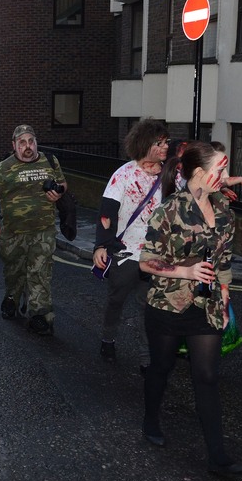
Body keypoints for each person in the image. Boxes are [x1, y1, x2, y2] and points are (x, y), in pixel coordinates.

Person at [138, 141, 242, 476]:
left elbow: (224, 261)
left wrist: (226, 292)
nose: (226, 177)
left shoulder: (225, 213)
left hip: (207, 307)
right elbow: (146, 262)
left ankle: (218, 456)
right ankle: (150, 419)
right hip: (168, 305)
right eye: (221, 170)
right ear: (199, 173)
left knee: (207, 376)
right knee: (161, 367)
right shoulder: (169, 210)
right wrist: (184, 271)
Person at [92, 119, 168, 367]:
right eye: (160, 142)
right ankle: (108, 338)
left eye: (166, 142)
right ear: (146, 144)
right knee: (116, 300)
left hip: (156, 255)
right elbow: (107, 214)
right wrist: (101, 246)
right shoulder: (123, 175)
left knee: (149, 305)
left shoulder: (170, 176)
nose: (166, 146)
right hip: (126, 254)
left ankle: (147, 357)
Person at [0, 125, 66, 336]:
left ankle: (40, 315)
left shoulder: (50, 161)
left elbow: (63, 184)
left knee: (40, 273)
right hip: (14, 233)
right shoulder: (4, 168)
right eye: (22, 142)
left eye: (31, 141)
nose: (27, 146)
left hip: (43, 231)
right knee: (15, 272)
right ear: (14, 146)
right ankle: (12, 296)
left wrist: (59, 192)